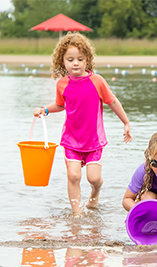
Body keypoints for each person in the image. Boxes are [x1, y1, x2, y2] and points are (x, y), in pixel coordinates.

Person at [33, 32, 132, 215]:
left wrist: (125, 122)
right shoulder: (62, 84)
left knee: (93, 178)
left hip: (94, 140)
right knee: (73, 175)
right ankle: (77, 214)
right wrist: (44, 109)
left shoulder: (97, 81)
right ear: (62, 61)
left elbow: (113, 102)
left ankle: (96, 190)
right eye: (70, 59)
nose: (75, 63)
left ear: (88, 60)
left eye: (80, 59)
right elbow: (60, 105)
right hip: (71, 139)